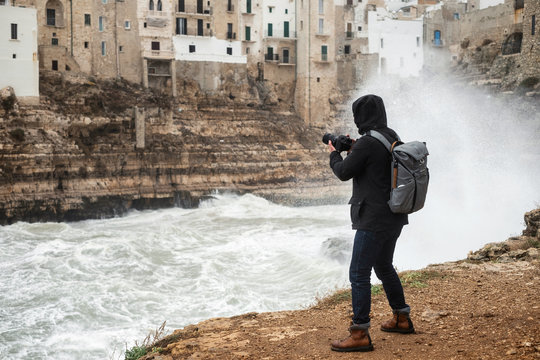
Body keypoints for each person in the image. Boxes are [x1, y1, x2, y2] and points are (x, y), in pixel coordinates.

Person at [328, 94, 414, 352]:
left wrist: (334, 153)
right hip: (395, 215)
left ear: (360, 117)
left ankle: (359, 333)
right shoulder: (391, 136)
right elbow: (376, 166)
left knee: (358, 272)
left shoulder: (367, 143)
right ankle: (401, 318)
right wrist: (354, 148)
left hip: (373, 219)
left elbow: (343, 172)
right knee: (384, 266)